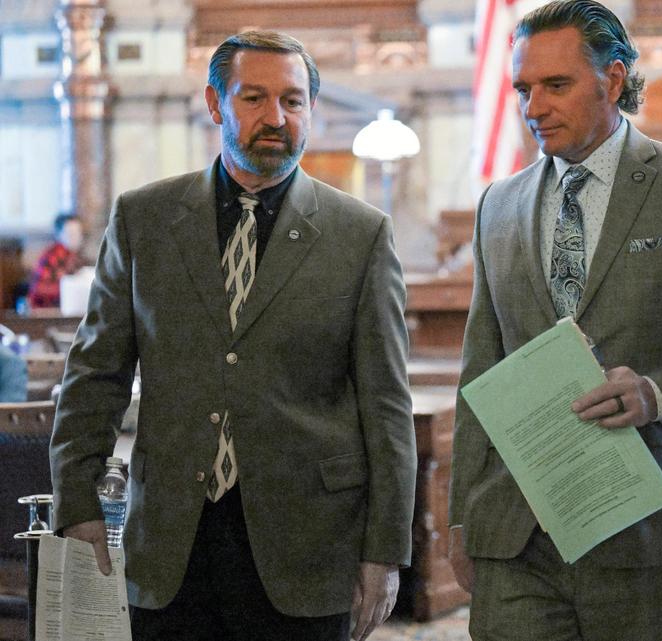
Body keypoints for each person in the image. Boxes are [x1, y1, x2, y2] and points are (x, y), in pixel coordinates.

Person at [49, 30, 416, 641]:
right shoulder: (144, 218)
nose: (275, 118)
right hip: (171, 544)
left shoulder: (361, 235)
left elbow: (386, 406)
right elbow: (96, 371)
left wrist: (386, 550)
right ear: (216, 105)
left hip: (308, 546)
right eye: (254, 99)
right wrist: (76, 497)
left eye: (293, 102)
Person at [447, 1, 662, 640]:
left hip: (648, 525)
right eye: (523, 89)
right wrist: (464, 515)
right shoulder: (499, 203)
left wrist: (658, 393)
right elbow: (479, 368)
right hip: (517, 532)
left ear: (613, 78)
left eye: (555, 85)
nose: (534, 106)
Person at [28, 213, 83, 309]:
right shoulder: (51, 257)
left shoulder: (76, 257)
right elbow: (38, 289)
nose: (76, 238)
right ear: (58, 235)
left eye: (78, 233)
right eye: (71, 234)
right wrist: (69, 289)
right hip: (44, 313)